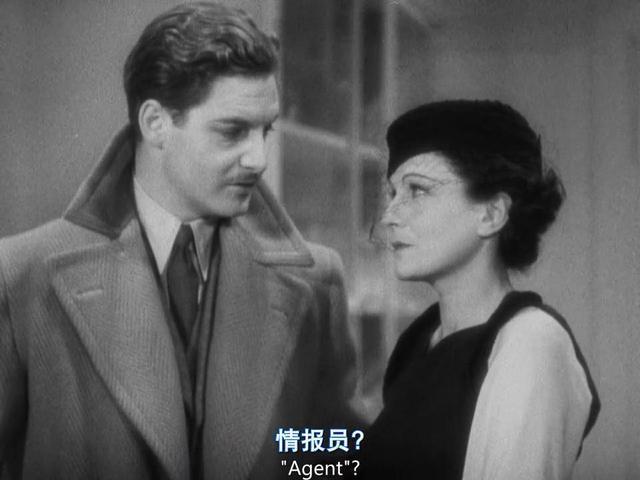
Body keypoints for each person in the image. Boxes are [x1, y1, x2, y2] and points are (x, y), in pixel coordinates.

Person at [0, 3, 364, 479]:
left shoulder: (315, 281)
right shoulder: (22, 275)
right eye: (233, 131)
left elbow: (334, 459)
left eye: (265, 131)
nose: (258, 158)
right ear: (155, 123)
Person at [359, 100, 600, 479]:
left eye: (417, 190)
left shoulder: (531, 342)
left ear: (492, 213)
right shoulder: (419, 341)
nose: (390, 215)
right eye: (392, 194)